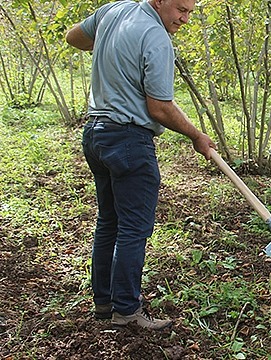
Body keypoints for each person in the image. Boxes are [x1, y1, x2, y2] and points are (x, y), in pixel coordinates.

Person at [65, 0, 215, 330]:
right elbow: (160, 107)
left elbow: (73, 37)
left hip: (96, 134)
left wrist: (111, 48)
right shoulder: (156, 37)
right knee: (133, 228)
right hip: (129, 140)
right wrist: (196, 135)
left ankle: (104, 302)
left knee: (109, 221)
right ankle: (126, 310)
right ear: (159, 0)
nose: (185, 19)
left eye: (190, 11)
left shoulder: (113, 11)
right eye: (180, 9)